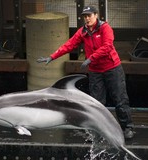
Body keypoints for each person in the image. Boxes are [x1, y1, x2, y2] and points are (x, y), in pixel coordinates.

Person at [37, 5, 134, 139]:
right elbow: (69, 45)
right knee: (96, 103)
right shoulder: (82, 32)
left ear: (96, 15)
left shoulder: (105, 28)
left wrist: (91, 58)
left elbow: (107, 46)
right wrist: (52, 56)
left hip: (112, 68)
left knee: (120, 99)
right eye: (85, 16)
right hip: (95, 71)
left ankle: (127, 127)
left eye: (89, 15)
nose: (87, 19)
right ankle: (98, 131)